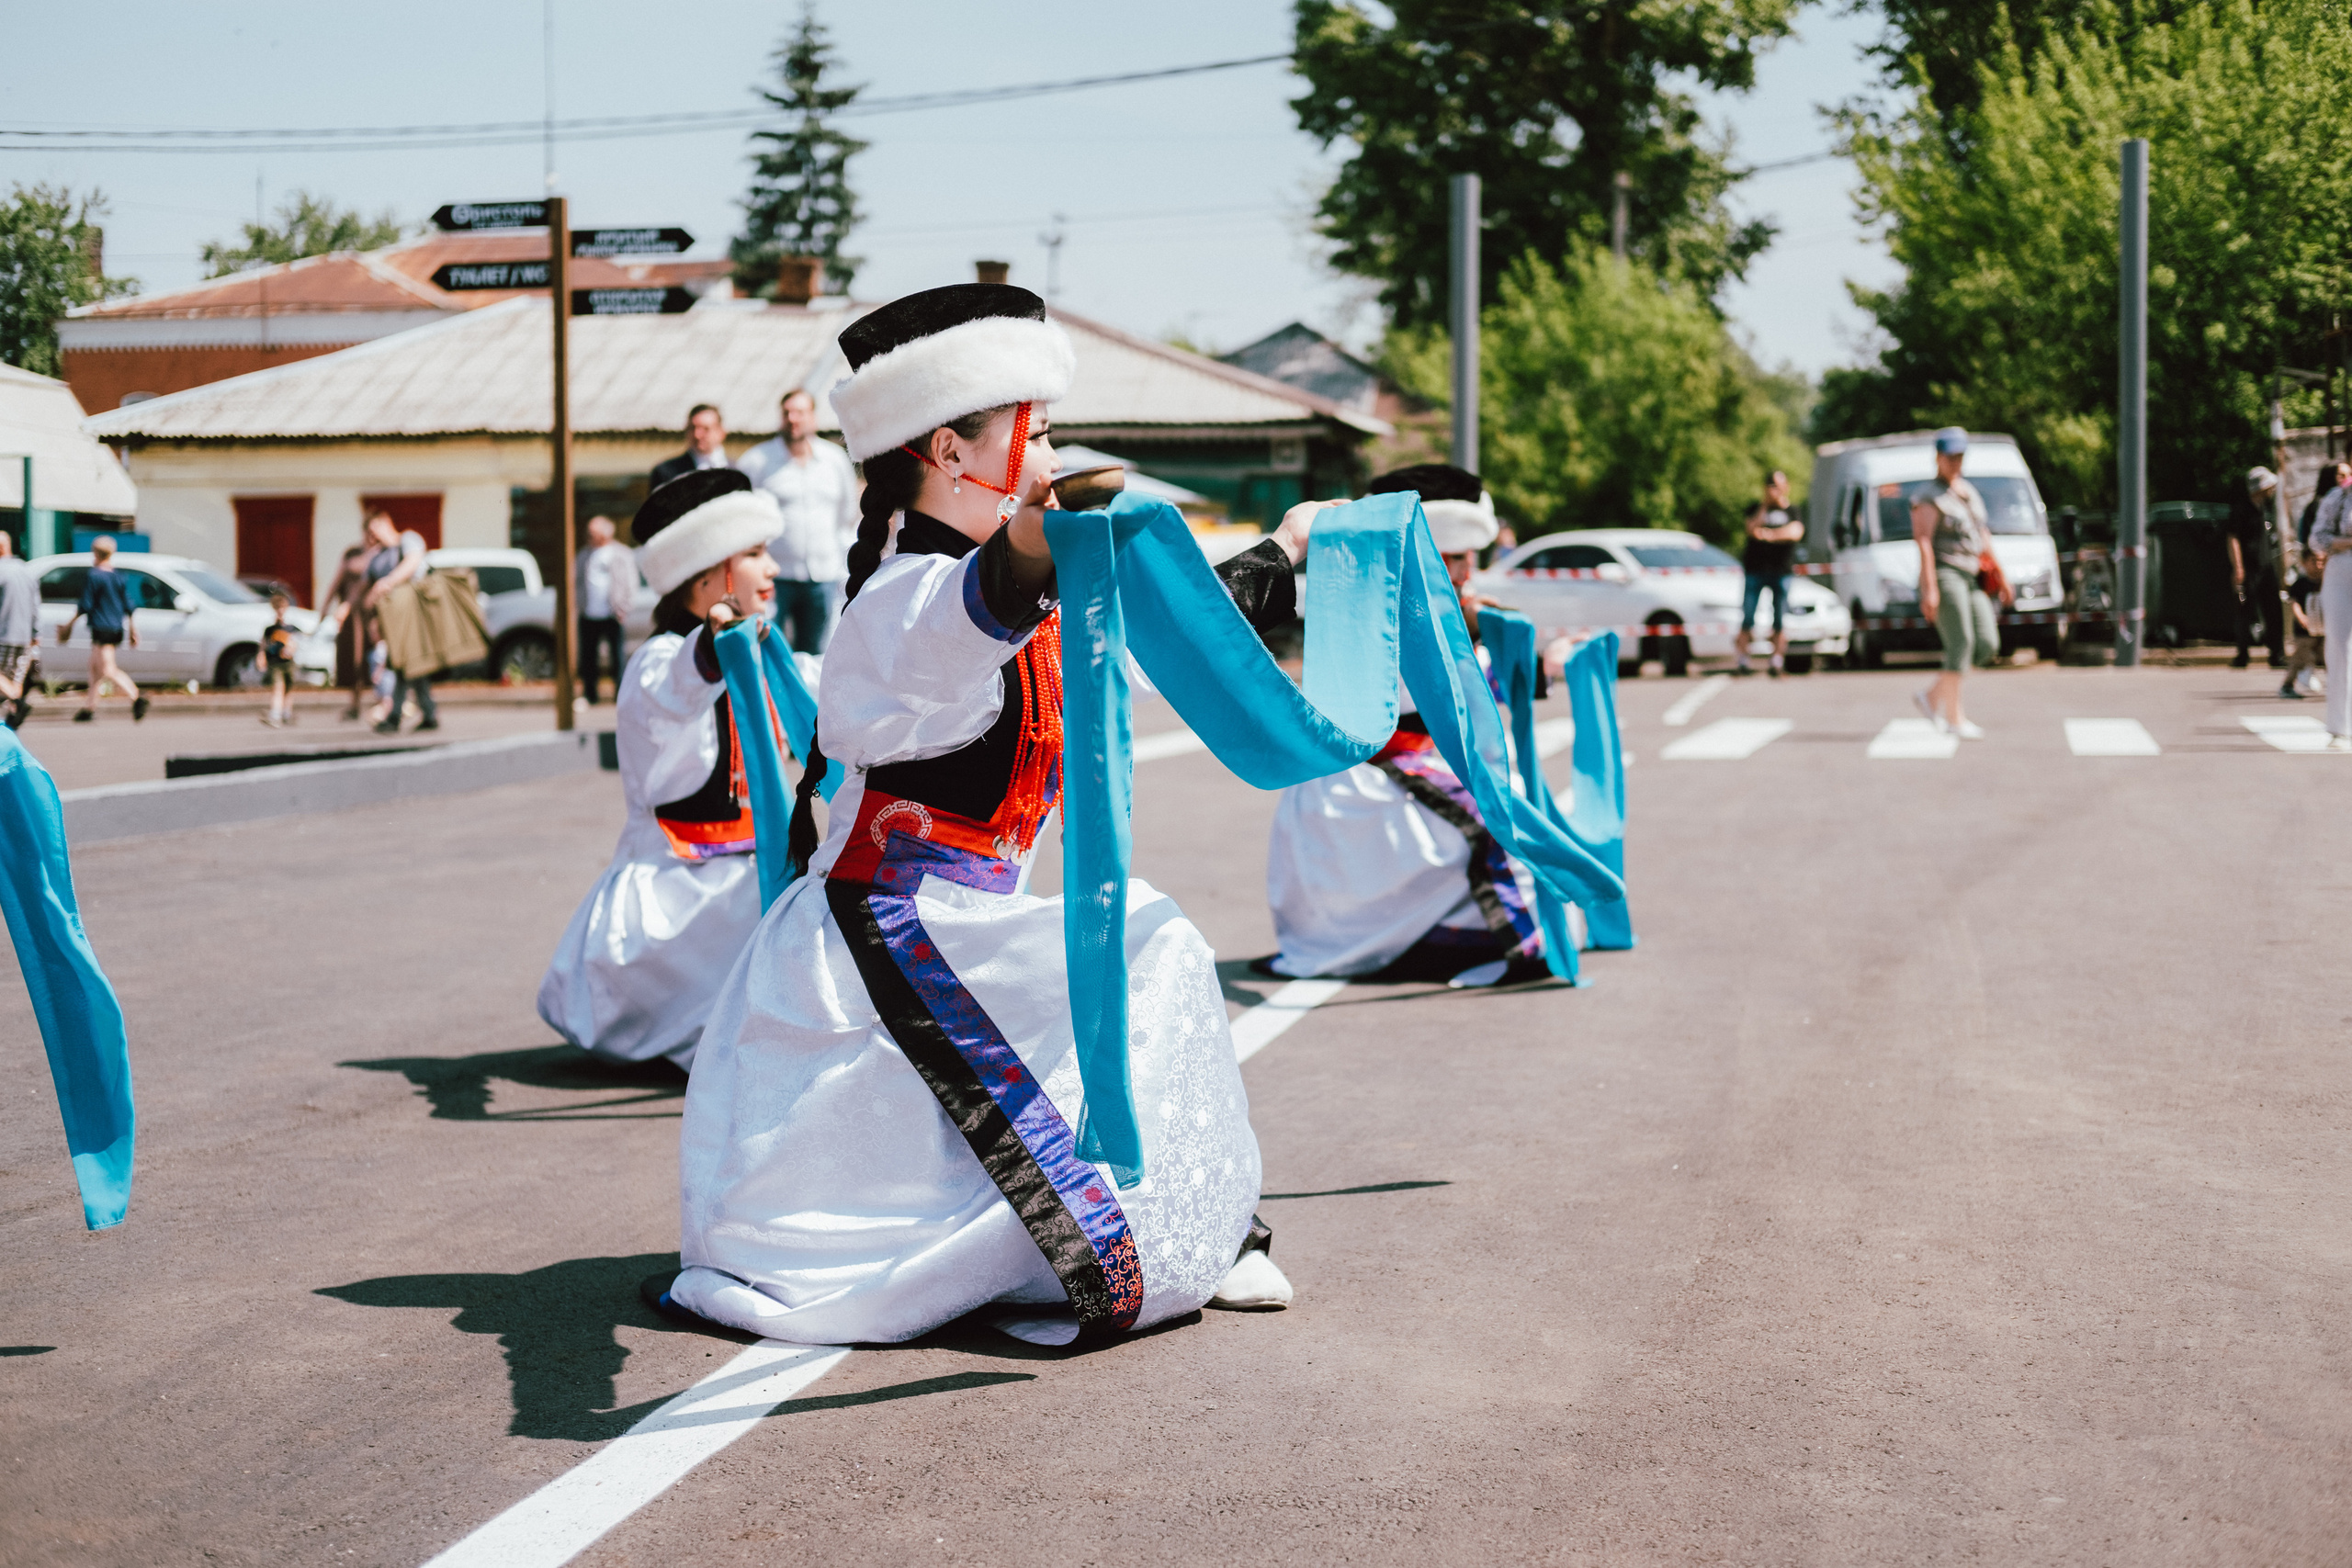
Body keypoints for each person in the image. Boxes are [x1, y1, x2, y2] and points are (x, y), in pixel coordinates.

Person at [659, 282, 1313, 1348]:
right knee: (1152, 944)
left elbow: (1159, 639)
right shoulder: (902, 600)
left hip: (970, 931)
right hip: (881, 938)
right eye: (1037, 435)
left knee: (1135, 949)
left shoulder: (1020, 599)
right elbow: (973, 612)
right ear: (950, 451)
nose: (1052, 458)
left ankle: (1185, 1227)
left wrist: (1286, 549)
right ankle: (1159, 1239)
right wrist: (1036, 542)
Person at [1261, 463, 1553, 987]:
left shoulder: (1434, 606)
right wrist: (1481, 642)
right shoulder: (1380, 611)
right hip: (1376, 765)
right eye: (1455, 558)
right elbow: (1433, 692)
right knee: (1496, 819)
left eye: (1471, 557)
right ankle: (1503, 940)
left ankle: (1471, 937)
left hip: (1419, 756)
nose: (1467, 572)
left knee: (1516, 811)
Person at [538, 468, 788, 1068]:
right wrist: (713, 644)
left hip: (744, 876)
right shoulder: (658, 664)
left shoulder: (767, 654)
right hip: (674, 897)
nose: (774, 568)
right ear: (708, 575)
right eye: (756, 553)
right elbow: (680, 686)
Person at [734, 388, 860, 654]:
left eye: (800, 412)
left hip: (823, 577)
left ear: (813, 417)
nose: (793, 419)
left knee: (815, 653)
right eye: (787, 413)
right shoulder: (756, 462)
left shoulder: (835, 460)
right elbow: (742, 518)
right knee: (768, 648)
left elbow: (847, 514)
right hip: (773, 578)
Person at [1912, 428, 2008, 739]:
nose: (1955, 462)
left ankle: (1931, 696)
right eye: (1950, 457)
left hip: (1972, 575)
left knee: (1986, 643)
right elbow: (1924, 542)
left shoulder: (1968, 492)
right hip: (1946, 573)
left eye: (1959, 456)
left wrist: (2002, 575)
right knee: (1960, 643)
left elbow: (1983, 536)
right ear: (1938, 458)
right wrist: (1929, 588)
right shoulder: (1929, 496)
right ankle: (1955, 718)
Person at [361, 512, 437, 734]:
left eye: (374, 530)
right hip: (392, 619)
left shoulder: (408, 540)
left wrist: (387, 583)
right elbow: (366, 590)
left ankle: (396, 717)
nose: (373, 537)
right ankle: (428, 713)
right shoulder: (377, 557)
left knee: (405, 662)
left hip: (412, 614)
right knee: (408, 663)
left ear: (386, 522)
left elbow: (413, 563)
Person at [63, 536, 144, 724]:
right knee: (94, 667)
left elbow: (86, 604)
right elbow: (129, 605)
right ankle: (89, 707)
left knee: (108, 669)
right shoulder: (118, 576)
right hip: (115, 627)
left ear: (95, 553)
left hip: (102, 627)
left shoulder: (95, 575)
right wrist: (133, 629)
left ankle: (136, 696)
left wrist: (69, 624)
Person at [2280, 463, 2344, 700]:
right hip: (2306, 626)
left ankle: (2337, 686)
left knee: (2329, 650)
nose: (2345, 479)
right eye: (2340, 475)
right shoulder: (2323, 504)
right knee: (2304, 653)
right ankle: (2294, 681)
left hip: (2322, 616)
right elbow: (2314, 539)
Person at [1735, 469, 1804, 678]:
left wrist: (1769, 535)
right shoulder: (1755, 508)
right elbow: (1751, 529)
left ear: (1786, 487)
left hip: (1781, 571)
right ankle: (1742, 661)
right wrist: (1765, 506)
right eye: (1771, 486)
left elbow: (1796, 532)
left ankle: (1776, 661)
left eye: (1778, 486)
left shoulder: (1792, 510)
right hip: (1755, 570)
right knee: (1747, 617)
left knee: (1780, 619)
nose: (1775, 490)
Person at [2302, 469, 2352, 749]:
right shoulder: (2339, 496)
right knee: (2340, 647)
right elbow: (2317, 538)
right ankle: (2339, 726)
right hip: (2341, 572)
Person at [575, 514, 636, 705]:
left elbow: (630, 583)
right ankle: (590, 694)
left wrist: (624, 608)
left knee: (617, 657)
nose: (589, 537)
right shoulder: (584, 555)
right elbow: (576, 581)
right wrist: (579, 605)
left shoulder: (621, 554)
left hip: (613, 614)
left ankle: (620, 695)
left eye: (592, 533)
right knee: (588, 657)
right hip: (588, 613)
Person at [2229, 467, 2286, 671]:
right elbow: (2233, 538)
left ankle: (2277, 653)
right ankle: (2242, 654)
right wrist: (2238, 567)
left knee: (2274, 609)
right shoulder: (2241, 509)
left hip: (2266, 565)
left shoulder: (2266, 508)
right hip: (2249, 566)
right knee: (2245, 610)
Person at [0, 533, 40, 728]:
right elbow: (35, 605)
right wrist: (35, 633)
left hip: (3, 633)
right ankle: (13, 717)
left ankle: (17, 702)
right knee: (15, 677)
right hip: (23, 635)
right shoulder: (26, 570)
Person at [650, 404, 730, 491]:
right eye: (692, 428)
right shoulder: (667, 472)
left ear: (721, 432)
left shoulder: (736, 470)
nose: (697, 435)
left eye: (706, 429)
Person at [260, 592, 299, 728]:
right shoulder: (270, 629)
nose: (280, 611)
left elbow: (295, 642)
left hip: (288, 662)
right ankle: (275, 714)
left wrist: (291, 649)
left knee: (288, 688)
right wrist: (261, 656)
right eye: (277, 608)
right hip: (275, 662)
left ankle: (286, 712)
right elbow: (263, 644)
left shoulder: (290, 628)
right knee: (277, 687)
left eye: (282, 607)